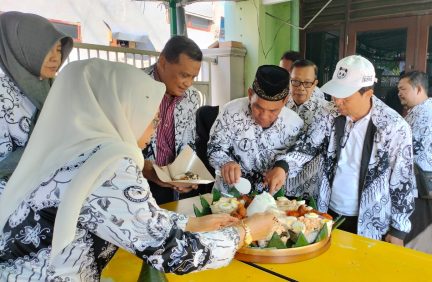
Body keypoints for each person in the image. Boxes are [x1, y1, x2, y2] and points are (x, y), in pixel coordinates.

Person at [0, 59, 275, 280]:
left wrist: (190, 222)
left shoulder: (70, 145)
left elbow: (136, 219)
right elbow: (170, 253)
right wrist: (246, 232)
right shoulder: (108, 165)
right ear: (122, 111)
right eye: (151, 119)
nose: (153, 130)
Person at [266, 55, 416, 245]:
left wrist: (399, 230)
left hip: (371, 222)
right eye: (336, 94)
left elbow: (403, 181)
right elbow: (307, 146)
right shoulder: (329, 113)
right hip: (327, 212)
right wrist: (283, 166)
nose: (337, 101)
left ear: (368, 93)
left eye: (345, 97)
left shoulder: (393, 127)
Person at [0, 11, 73, 187]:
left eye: (58, 49)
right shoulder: (3, 96)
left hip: (61, 179)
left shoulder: (57, 87)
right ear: (19, 48)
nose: (56, 58)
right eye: (46, 50)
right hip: (17, 195)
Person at [208, 65, 303, 193]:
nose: (263, 116)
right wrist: (226, 163)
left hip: (272, 201)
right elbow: (214, 147)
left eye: (273, 111)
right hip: (229, 197)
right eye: (257, 107)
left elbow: (298, 158)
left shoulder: (294, 123)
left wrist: (283, 167)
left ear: (285, 100)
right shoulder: (230, 112)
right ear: (250, 94)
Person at [141, 36, 203, 204]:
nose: (188, 83)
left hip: (172, 185)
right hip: (138, 180)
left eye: (193, 77)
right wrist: (150, 171)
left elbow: (188, 142)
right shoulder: (136, 85)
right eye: (184, 75)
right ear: (162, 61)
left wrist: (188, 174)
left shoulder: (192, 97)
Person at [397, 71, 432, 253]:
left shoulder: (428, 115)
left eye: (403, 89)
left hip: (420, 189)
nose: (399, 93)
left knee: (415, 243)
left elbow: (408, 150)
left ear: (418, 89)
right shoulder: (417, 112)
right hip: (415, 188)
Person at [285, 59, 334, 197]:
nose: (300, 87)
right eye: (295, 81)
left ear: (315, 84)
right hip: (279, 183)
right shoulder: (278, 106)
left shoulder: (326, 111)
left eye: (307, 83)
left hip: (309, 188)